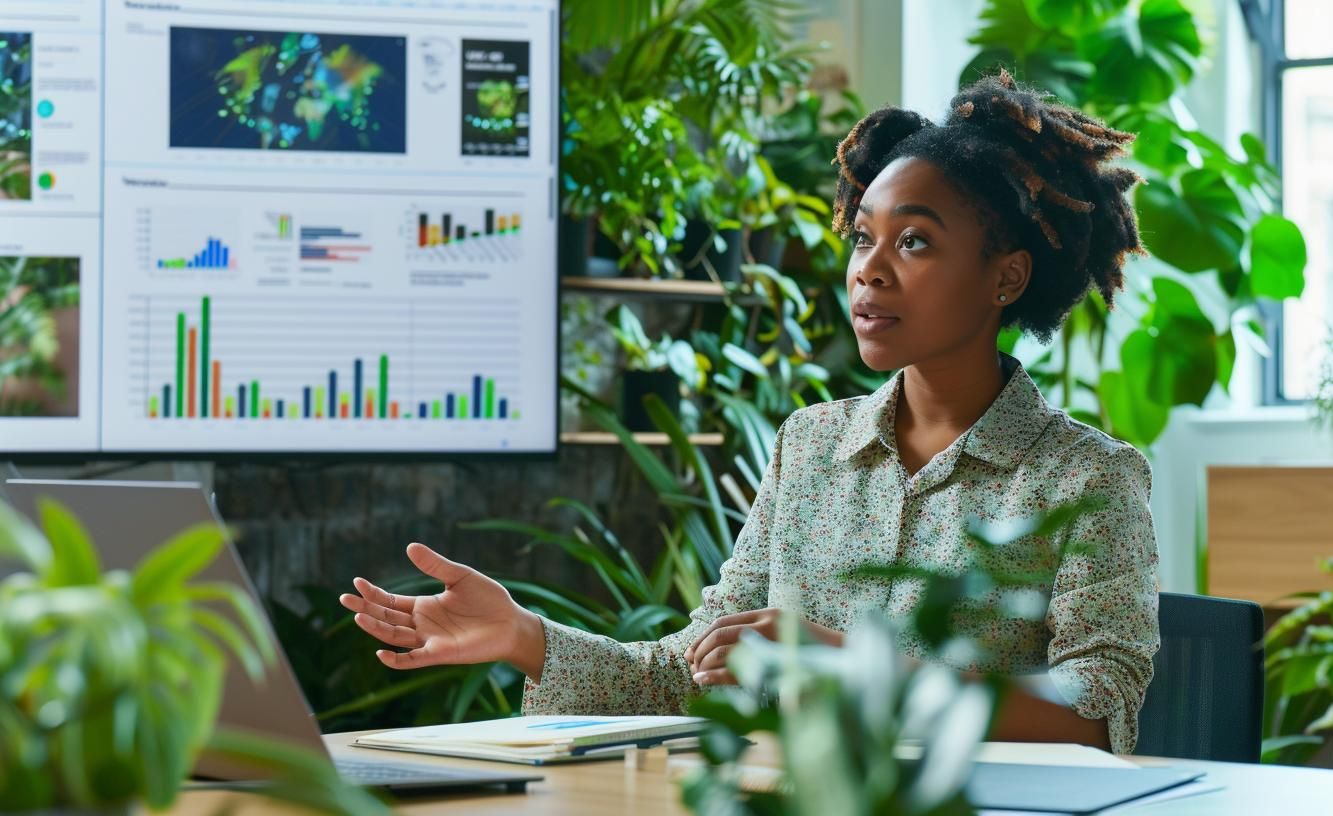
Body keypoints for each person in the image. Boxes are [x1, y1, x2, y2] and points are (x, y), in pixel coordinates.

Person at [340, 71, 1159, 754]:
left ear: (1005, 279)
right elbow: (688, 673)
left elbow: (1091, 716)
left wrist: (850, 668)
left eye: (913, 243)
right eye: (863, 237)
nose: (868, 271)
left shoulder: (1088, 478)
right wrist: (525, 637)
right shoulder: (811, 446)